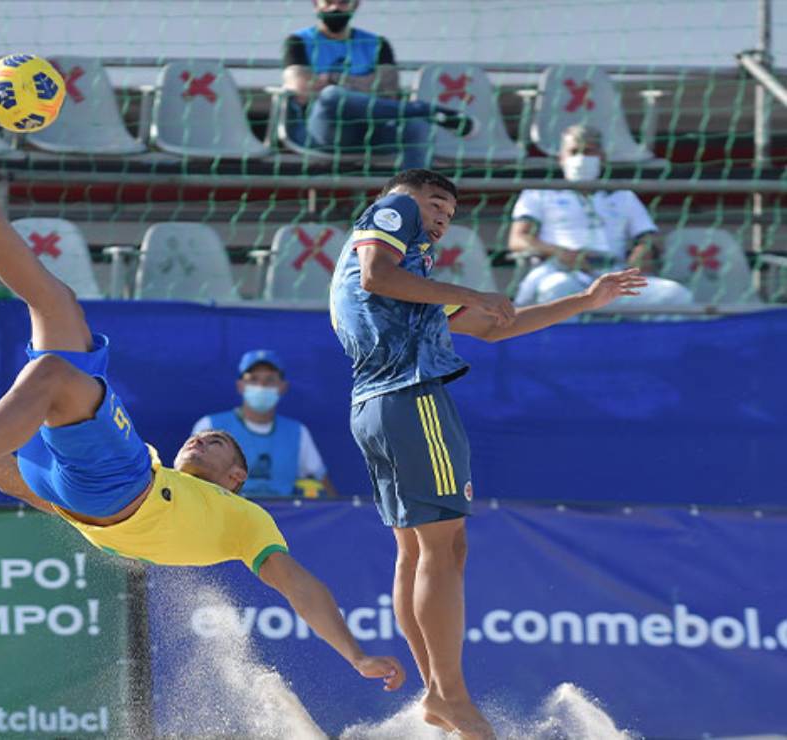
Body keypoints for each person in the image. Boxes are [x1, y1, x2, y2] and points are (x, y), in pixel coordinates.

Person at [0, 96, 407, 693]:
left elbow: (301, 586)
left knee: (56, 374)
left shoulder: (245, 518)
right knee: (54, 304)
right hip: (79, 490)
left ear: (237, 477)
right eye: (204, 432)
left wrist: (355, 655)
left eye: (218, 443)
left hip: (125, 494)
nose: (202, 436)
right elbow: (23, 486)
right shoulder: (155, 465)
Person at [330, 168, 646, 737]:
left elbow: (497, 327)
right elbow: (380, 275)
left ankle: (436, 694)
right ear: (401, 198)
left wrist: (585, 298)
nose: (443, 216)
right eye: (436, 203)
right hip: (410, 398)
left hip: (375, 407)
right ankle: (451, 695)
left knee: (418, 552)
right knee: (445, 549)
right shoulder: (393, 216)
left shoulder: (414, 284)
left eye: (449, 212)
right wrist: (468, 290)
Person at [508, 124, 692, 307]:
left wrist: (642, 251)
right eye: (574, 152)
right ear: (561, 158)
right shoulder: (539, 193)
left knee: (675, 295)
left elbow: (649, 237)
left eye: (588, 152)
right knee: (557, 290)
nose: (581, 158)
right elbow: (518, 240)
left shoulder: (623, 196)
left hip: (614, 276)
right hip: (565, 273)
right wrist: (559, 252)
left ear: (601, 157)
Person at [281, 0, 473, 167]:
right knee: (332, 96)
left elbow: (389, 93)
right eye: (329, 1)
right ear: (316, 4)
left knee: (418, 127)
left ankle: (413, 202)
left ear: (355, 5)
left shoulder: (378, 44)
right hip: (324, 132)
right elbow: (303, 91)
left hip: (372, 129)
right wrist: (362, 84)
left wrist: (333, 78)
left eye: (343, 2)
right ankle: (426, 109)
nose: (335, 7)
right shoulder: (298, 41)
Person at [191, 349, 339, 498]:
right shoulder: (209, 426)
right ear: (240, 386)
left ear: (282, 387)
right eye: (253, 379)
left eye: (270, 380)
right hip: (225, 516)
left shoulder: (298, 432)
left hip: (283, 520)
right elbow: (190, 484)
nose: (261, 386)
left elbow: (326, 489)